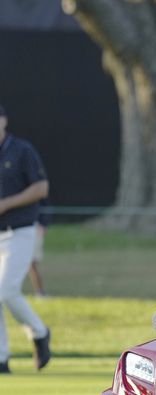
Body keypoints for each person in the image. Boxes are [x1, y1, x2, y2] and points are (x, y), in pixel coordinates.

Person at [0, 103, 51, 373]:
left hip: (19, 230)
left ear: (4, 121)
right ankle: (1, 358)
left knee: (6, 290)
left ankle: (40, 332)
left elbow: (41, 187)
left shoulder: (21, 150)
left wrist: (7, 204)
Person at [28, 199, 50, 297]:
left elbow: (46, 206)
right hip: (10, 229)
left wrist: (43, 224)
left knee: (32, 263)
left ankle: (40, 292)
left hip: (33, 228)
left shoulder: (34, 187)